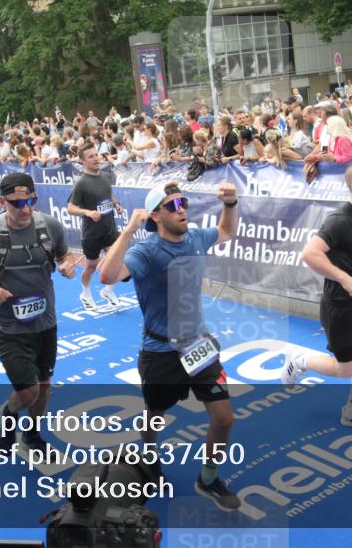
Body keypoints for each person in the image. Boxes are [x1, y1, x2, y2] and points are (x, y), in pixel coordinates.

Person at [98, 181, 242, 510]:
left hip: (198, 346)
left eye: (183, 203)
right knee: (155, 415)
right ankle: (149, 454)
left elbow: (226, 231)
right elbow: (106, 276)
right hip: (160, 351)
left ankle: (208, 479)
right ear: (155, 216)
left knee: (224, 419)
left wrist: (230, 204)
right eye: (172, 206)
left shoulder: (196, 238)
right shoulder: (146, 252)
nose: (182, 210)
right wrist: (129, 230)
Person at [0, 173, 76, 457]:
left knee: (43, 387)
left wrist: (68, 264)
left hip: (45, 322)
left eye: (31, 201)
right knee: (28, 392)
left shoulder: (50, 226)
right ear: (1, 202)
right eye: (17, 203)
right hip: (9, 327)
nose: (25, 208)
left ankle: (32, 434)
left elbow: (64, 254)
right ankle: (9, 415)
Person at [281, 163, 352, 427]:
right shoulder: (339, 220)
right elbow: (310, 254)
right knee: (347, 368)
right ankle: (299, 359)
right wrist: (343, 278)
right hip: (341, 306)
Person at [66, 143, 125, 309]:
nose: (95, 158)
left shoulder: (106, 176)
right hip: (91, 233)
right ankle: (85, 293)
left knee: (116, 261)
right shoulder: (81, 183)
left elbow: (108, 194)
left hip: (109, 229)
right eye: (90, 156)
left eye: (96, 155)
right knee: (91, 266)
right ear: (83, 161)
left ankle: (108, 291)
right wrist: (87, 212)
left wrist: (116, 204)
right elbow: (70, 208)